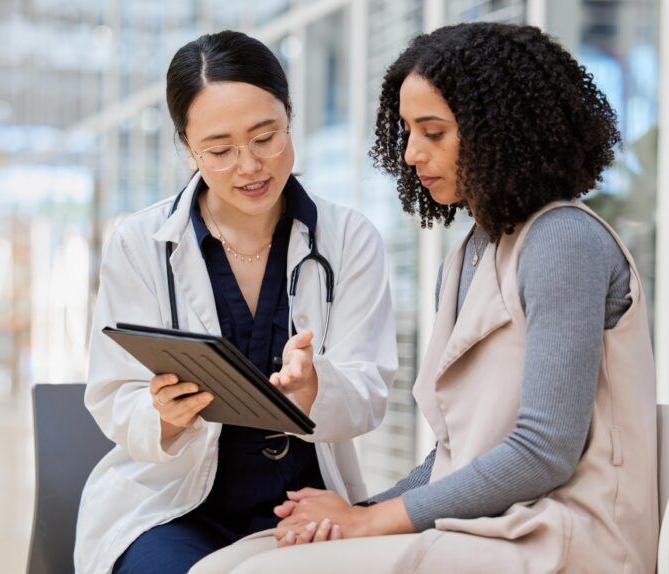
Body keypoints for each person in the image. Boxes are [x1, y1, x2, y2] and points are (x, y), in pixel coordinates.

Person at [191, 22, 657, 574]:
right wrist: (356, 513)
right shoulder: (469, 256)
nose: (411, 153)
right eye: (408, 131)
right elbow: (450, 458)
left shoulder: (564, 241)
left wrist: (370, 522)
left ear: (500, 132)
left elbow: (542, 452)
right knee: (226, 562)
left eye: (433, 132)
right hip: (491, 525)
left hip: (566, 534)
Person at [73, 30, 398, 574]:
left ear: (290, 118)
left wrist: (316, 389)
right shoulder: (140, 243)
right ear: (188, 147)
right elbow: (113, 394)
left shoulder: (350, 239)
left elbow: (370, 391)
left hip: (304, 499)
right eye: (221, 151)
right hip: (171, 507)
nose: (249, 166)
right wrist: (164, 417)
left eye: (266, 137)